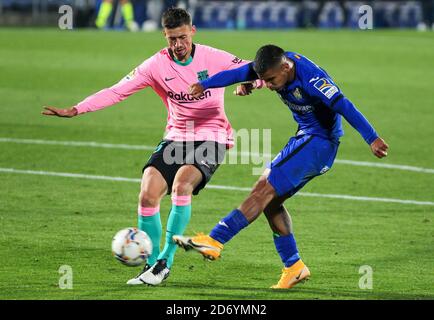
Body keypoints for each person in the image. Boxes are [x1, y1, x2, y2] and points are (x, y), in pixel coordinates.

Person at [42, 7, 257, 286]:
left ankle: (166, 261)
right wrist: (77, 109)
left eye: (182, 37)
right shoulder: (156, 65)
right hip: (176, 136)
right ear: (164, 36)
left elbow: (257, 66)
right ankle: (153, 263)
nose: (178, 45)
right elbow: (117, 90)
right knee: (147, 193)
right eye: (171, 39)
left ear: (192, 31)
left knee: (182, 185)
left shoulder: (213, 57)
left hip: (212, 135)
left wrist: (251, 82)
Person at [173, 44, 389, 289]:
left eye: (272, 80)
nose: (271, 85)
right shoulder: (274, 67)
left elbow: (344, 105)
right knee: (271, 201)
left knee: (262, 190)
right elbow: (239, 74)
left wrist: (372, 138)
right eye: (265, 80)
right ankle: (294, 267)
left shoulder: (313, 80)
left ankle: (215, 240)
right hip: (305, 137)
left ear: (286, 67)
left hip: (318, 143)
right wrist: (206, 84)